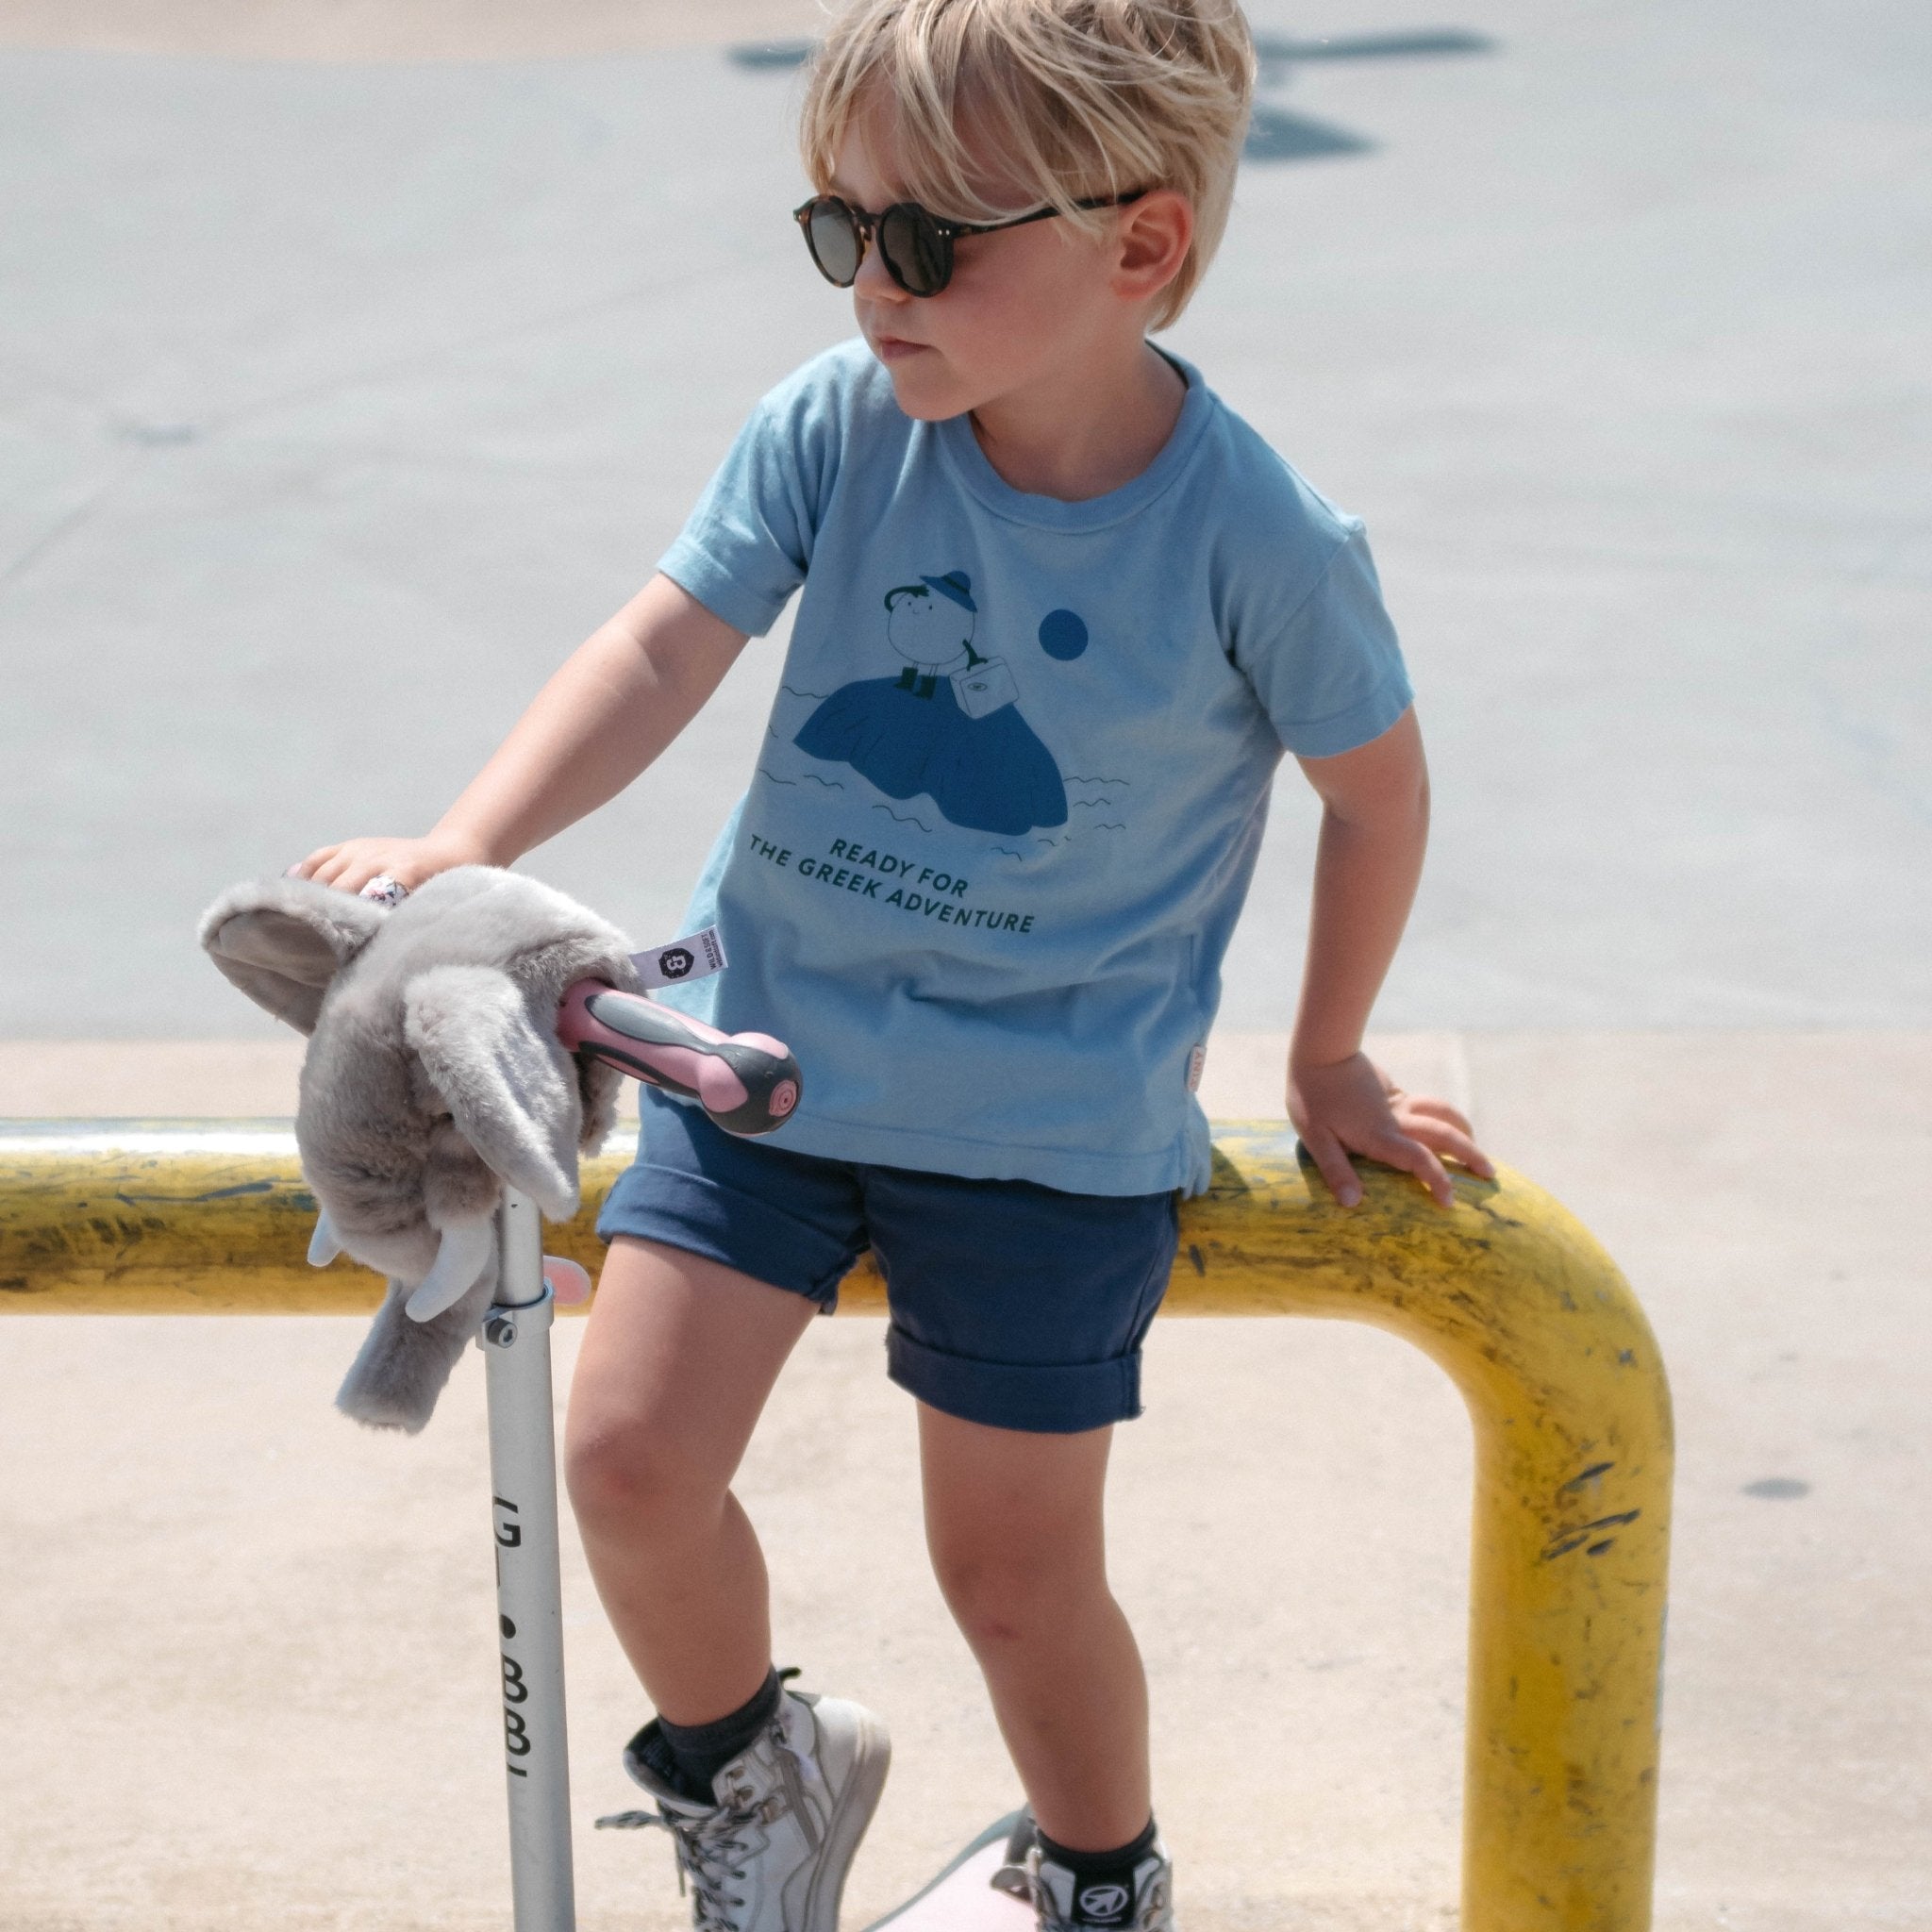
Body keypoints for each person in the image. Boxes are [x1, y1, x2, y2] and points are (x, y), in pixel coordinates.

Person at [293, 2, 1494, 1926]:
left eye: (927, 240)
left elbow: (1379, 793)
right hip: (765, 1061)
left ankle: (1099, 1876)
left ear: (1141, 244)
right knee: (626, 1459)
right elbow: (664, 644)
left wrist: (1327, 1050)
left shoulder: (1258, 536)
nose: (874, 284)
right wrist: (468, 842)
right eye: (839, 228)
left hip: (1050, 1118)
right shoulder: (838, 426)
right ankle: (757, 1772)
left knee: (1011, 1576)